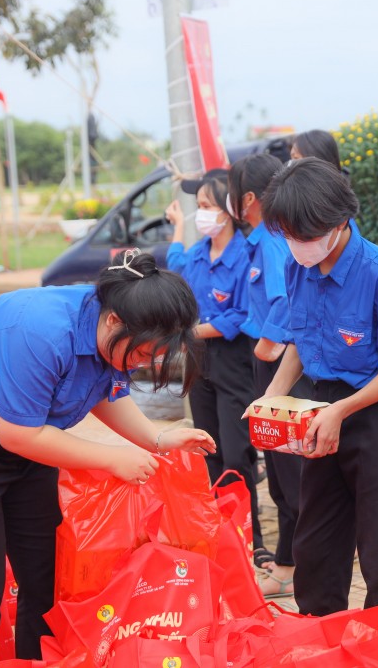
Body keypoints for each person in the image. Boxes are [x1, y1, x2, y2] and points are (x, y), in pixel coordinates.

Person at [0, 250, 215, 664]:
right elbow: (17, 432)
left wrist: (158, 437)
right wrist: (110, 458)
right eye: (143, 355)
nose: (143, 364)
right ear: (113, 322)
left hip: (33, 449)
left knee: (49, 583)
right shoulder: (42, 331)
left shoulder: (116, 328)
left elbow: (106, 391)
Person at [257, 157, 378, 651]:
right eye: (286, 233)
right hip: (320, 407)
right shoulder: (298, 265)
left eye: (301, 232)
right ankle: (319, 647)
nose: (294, 243)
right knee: (317, 542)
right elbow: (298, 337)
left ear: (336, 222)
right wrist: (274, 395)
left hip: (377, 414)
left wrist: (341, 412)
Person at [165, 174, 264, 558]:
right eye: (199, 207)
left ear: (230, 210)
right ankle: (219, 536)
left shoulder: (244, 256)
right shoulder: (198, 252)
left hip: (233, 360)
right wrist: (176, 229)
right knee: (208, 449)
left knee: (238, 455)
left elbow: (241, 315)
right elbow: (175, 266)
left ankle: (252, 542)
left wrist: (193, 330)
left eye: (207, 206)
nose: (201, 214)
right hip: (198, 360)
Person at [229, 153, 312, 597]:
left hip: (280, 369)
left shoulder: (274, 239)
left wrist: (268, 342)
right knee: (279, 472)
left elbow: (285, 300)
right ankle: (286, 564)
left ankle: (301, 564)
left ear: (247, 198)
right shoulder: (259, 240)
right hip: (267, 367)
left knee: (290, 471)